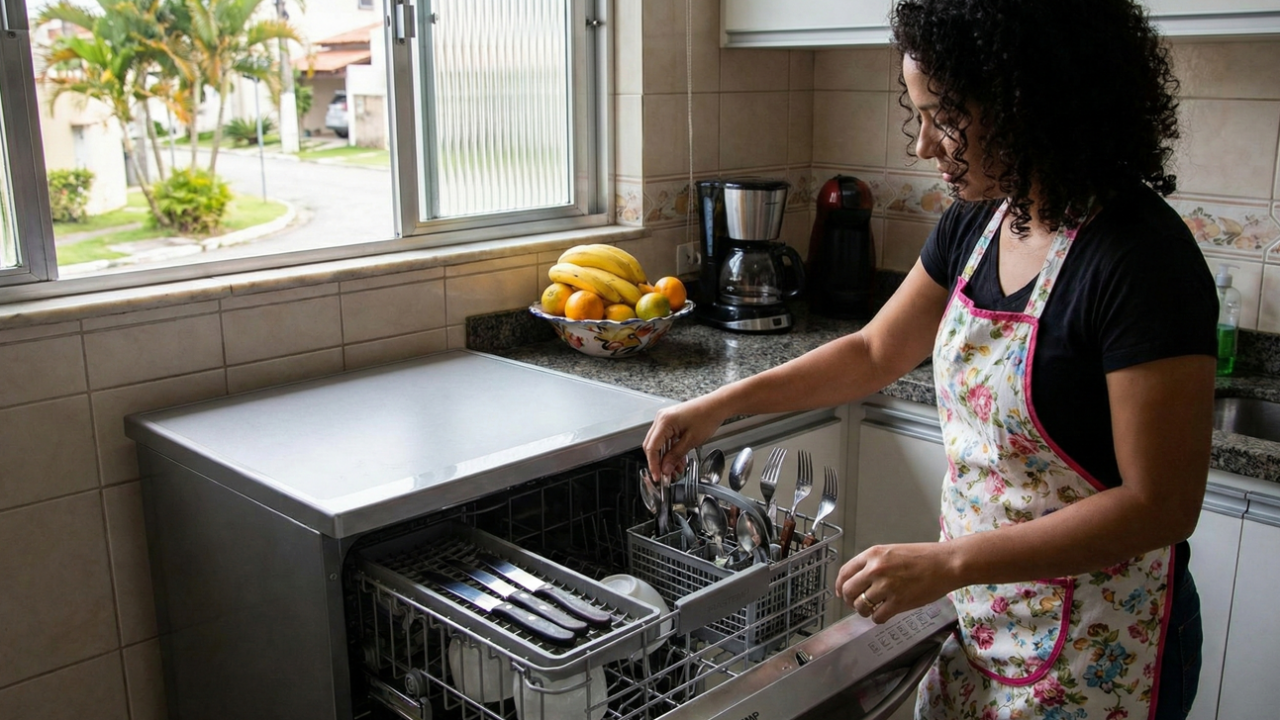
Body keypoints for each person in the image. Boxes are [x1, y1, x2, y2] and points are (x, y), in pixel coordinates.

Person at [642, 1, 1217, 717]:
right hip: (979, 614)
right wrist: (719, 405)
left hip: (1102, 639)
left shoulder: (1140, 259)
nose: (923, 146)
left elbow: (1159, 505)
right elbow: (874, 350)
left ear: (1027, 101)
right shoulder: (980, 221)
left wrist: (948, 562)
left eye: (943, 118)